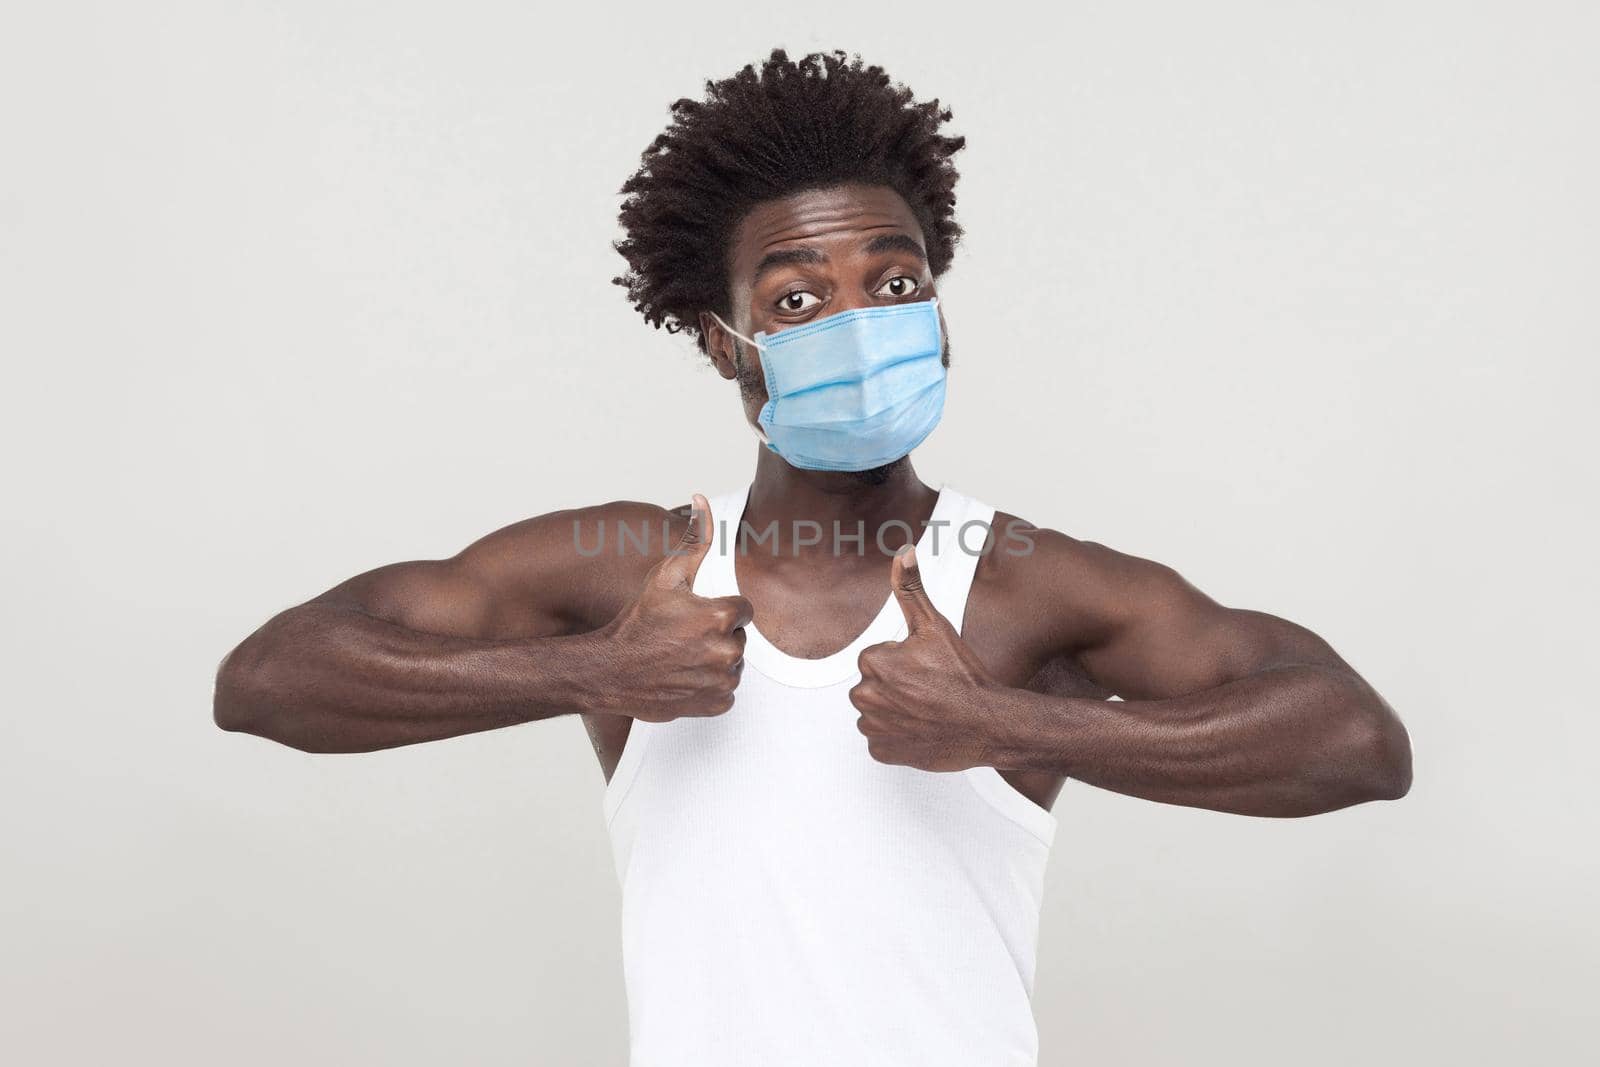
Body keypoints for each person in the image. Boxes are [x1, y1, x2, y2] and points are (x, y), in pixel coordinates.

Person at [214, 48, 1412, 1067]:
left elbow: (1355, 742)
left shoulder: (1029, 583)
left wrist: (1016, 723)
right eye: (797, 301)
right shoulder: (634, 565)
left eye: (894, 283)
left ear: (937, 311)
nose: (860, 323)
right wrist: (589, 673)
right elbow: (268, 680)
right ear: (721, 341)